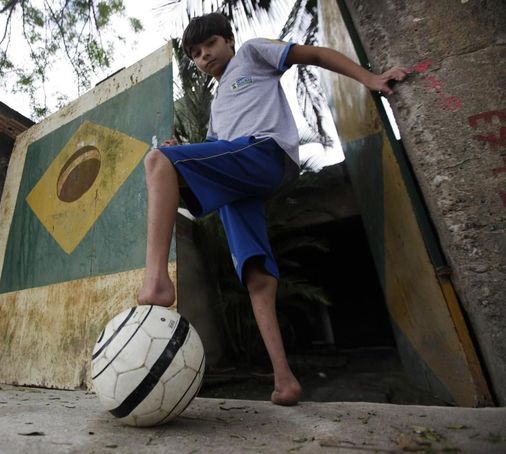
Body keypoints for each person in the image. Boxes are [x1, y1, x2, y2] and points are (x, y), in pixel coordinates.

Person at [136, 12, 408, 406]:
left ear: (228, 40)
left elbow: (312, 55)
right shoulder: (215, 106)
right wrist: (184, 155)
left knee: (156, 161)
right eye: (195, 54)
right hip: (239, 179)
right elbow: (217, 149)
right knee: (257, 277)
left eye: (209, 44)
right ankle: (285, 380)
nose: (203, 56)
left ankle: (157, 282)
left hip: (266, 153)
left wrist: (370, 78)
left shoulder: (251, 54)